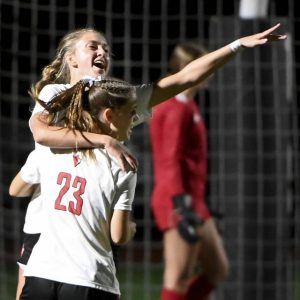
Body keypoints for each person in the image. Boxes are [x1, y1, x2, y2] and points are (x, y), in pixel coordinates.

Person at [16, 24, 286, 299]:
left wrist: (236, 45)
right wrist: (105, 141)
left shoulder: (123, 102)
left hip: (86, 241)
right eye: (93, 46)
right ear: (70, 58)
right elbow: (41, 133)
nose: (102, 52)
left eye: (106, 49)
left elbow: (185, 78)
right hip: (45, 228)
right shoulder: (56, 95)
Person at [10, 79, 138, 300]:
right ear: (109, 115)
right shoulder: (123, 164)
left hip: (40, 273)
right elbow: (118, 235)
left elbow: (16, 189)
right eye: (131, 112)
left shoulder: (47, 151)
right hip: (90, 278)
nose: (135, 119)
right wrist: (131, 229)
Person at [150, 42, 228, 300]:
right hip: (177, 200)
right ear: (190, 68)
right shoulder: (174, 106)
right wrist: (179, 205)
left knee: (217, 269)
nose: (211, 70)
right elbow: (169, 160)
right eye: (206, 64)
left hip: (194, 201)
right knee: (177, 277)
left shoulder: (188, 105)